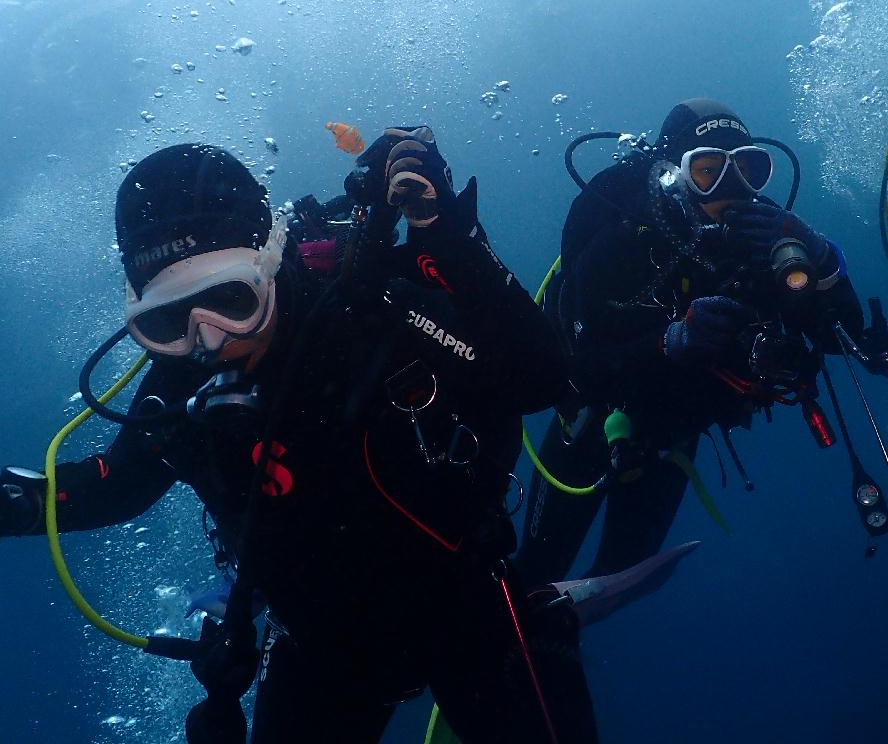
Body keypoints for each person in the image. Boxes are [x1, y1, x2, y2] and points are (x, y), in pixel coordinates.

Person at [0, 133, 598, 744]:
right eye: (169, 321)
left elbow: (542, 378)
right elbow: (118, 487)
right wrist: (22, 503)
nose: (210, 340)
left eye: (231, 300)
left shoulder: (372, 310)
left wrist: (455, 243)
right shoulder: (181, 382)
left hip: (466, 611)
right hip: (320, 649)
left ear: (270, 258)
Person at [517, 98, 888, 585]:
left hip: (675, 439)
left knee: (620, 575)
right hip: (592, 427)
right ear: (675, 175)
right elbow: (573, 369)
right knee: (535, 572)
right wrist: (667, 342)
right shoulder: (626, 237)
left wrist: (819, 256)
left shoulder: (767, 240)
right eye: (707, 170)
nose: (730, 188)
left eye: (748, 169)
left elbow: (839, 337)